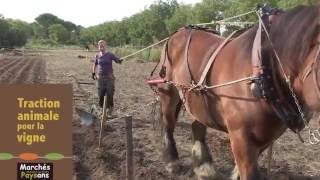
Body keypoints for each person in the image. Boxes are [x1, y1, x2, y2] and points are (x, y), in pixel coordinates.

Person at [92, 40, 122, 117]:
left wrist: (119, 60)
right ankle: (103, 110)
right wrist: (93, 72)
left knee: (110, 93)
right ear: (98, 47)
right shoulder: (97, 56)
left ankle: (110, 109)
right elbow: (95, 64)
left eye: (103, 46)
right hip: (100, 78)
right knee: (101, 94)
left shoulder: (110, 55)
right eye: (100, 46)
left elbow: (117, 60)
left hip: (109, 78)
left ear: (105, 46)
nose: (101, 47)